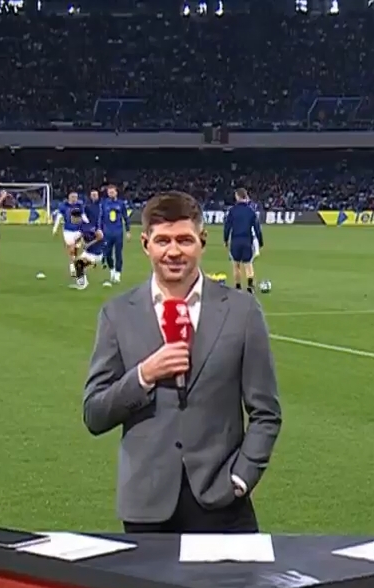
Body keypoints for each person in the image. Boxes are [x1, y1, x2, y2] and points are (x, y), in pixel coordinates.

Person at [81, 190, 282, 534]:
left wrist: (241, 478)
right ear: (145, 244)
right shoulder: (117, 314)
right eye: (162, 240)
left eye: (184, 240)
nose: (173, 251)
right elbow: (94, 414)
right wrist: (144, 375)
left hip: (224, 505)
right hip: (146, 508)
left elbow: (266, 411)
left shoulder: (242, 311)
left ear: (202, 241)